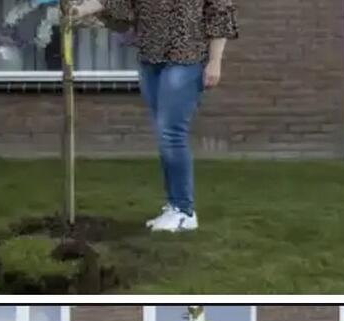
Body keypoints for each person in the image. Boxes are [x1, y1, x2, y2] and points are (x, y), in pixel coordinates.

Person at [72, 0, 239, 233]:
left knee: (171, 133)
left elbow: (220, 12)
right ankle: (174, 205)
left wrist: (215, 61)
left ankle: (184, 211)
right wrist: (79, 10)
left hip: (187, 57)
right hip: (151, 58)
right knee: (164, 134)